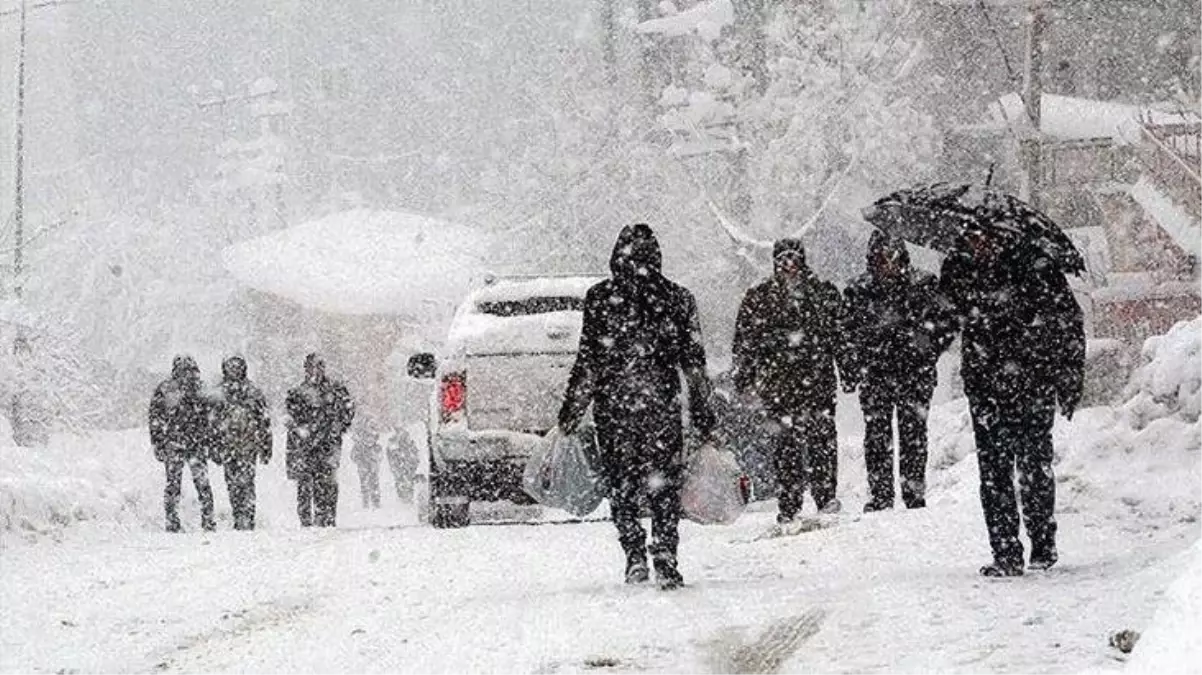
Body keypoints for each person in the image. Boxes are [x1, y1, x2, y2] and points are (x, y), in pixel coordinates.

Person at [558, 223, 715, 590]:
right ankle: (665, 554)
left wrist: (572, 410)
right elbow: (694, 364)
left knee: (623, 484)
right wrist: (704, 414)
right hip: (661, 407)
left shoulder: (600, 299)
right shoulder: (677, 298)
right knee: (664, 487)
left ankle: (633, 555)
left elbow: (589, 362)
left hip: (615, 409)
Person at [940, 225, 1084, 577]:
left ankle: (1042, 544)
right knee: (994, 472)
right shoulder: (961, 269)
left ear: (1001, 236)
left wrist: (1068, 377)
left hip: (1032, 382)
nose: (979, 243)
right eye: (973, 237)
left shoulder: (1034, 265)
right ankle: (1005, 551)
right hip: (986, 387)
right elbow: (943, 321)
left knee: (1033, 466)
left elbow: (1067, 321)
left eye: (985, 237)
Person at [732, 238, 853, 524]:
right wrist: (743, 376)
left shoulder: (822, 293)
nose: (788, 265)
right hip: (778, 384)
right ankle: (789, 502)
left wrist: (848, 369)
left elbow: (841, 336)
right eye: (783, 259)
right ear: (775, 262)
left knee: (821, 439)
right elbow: (745, 341)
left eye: (793, 258)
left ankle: (825, 496)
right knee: (785, 445)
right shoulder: (760, 297)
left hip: (817, 380)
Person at [843, 231, 956, 512]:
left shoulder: (924, 285)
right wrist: (855, 363)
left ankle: (913, 493)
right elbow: (845, 332)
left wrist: (928, 350)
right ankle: (881, 495)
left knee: (913, 434)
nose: (886, 263)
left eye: (891, 256)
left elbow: (946, 323)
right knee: (877, 435)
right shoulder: (858, 291)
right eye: (880, 257)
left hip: (914, 373)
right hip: (876, 374)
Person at [286, 353, 355, 527]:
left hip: (328, 443)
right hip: (305, 444)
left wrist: (338, 427)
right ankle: (307, 519)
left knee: (327, 482)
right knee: (305, 483)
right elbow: (291, 417)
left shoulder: (336, 389)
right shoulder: (298, 393)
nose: (314, 371)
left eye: (318, 366)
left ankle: (327, 517)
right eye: (311, 367)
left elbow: (348, 409)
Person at [149, 355, 215, 532]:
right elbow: (156, 417)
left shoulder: (169, 388)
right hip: (187, 443)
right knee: (196, 484)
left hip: (183, 443)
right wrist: (158, 442)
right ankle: (205, 520)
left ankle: (176, 521)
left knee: (178, 484)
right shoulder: (190, 388)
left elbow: (155, 418)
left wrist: (158, 441)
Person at [212, 356, 272, 530]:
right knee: (232, 483)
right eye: (230, 367)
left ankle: (248, 517)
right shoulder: (219, 392)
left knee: (247, 482)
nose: (234, 370)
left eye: (237, 367)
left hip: (248, 446)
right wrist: (214, 446)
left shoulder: (253, 391)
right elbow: (212, 422)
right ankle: (238, 515)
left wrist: (266, 446)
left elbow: (264, 421)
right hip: (227, 446)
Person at [351, 417, 383, 509]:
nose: (369, 440)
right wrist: (360, 460)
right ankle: (367, 503)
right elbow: (353, 456)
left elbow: (380, 456)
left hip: (372, 467)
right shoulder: (359, 446)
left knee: (374, 484)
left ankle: (375, 503)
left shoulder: (375, 446)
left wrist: (374, 459)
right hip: (364, 467)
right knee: (365, 485)